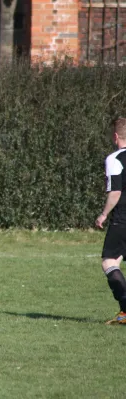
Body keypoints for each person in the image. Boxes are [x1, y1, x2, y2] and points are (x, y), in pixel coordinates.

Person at [96, 117, 126, 325]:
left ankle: (125, 310)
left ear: (116, 136)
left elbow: (115, 191)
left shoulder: (114, 159)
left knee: (110, 261)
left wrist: (104, 213)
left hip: (122, 218)